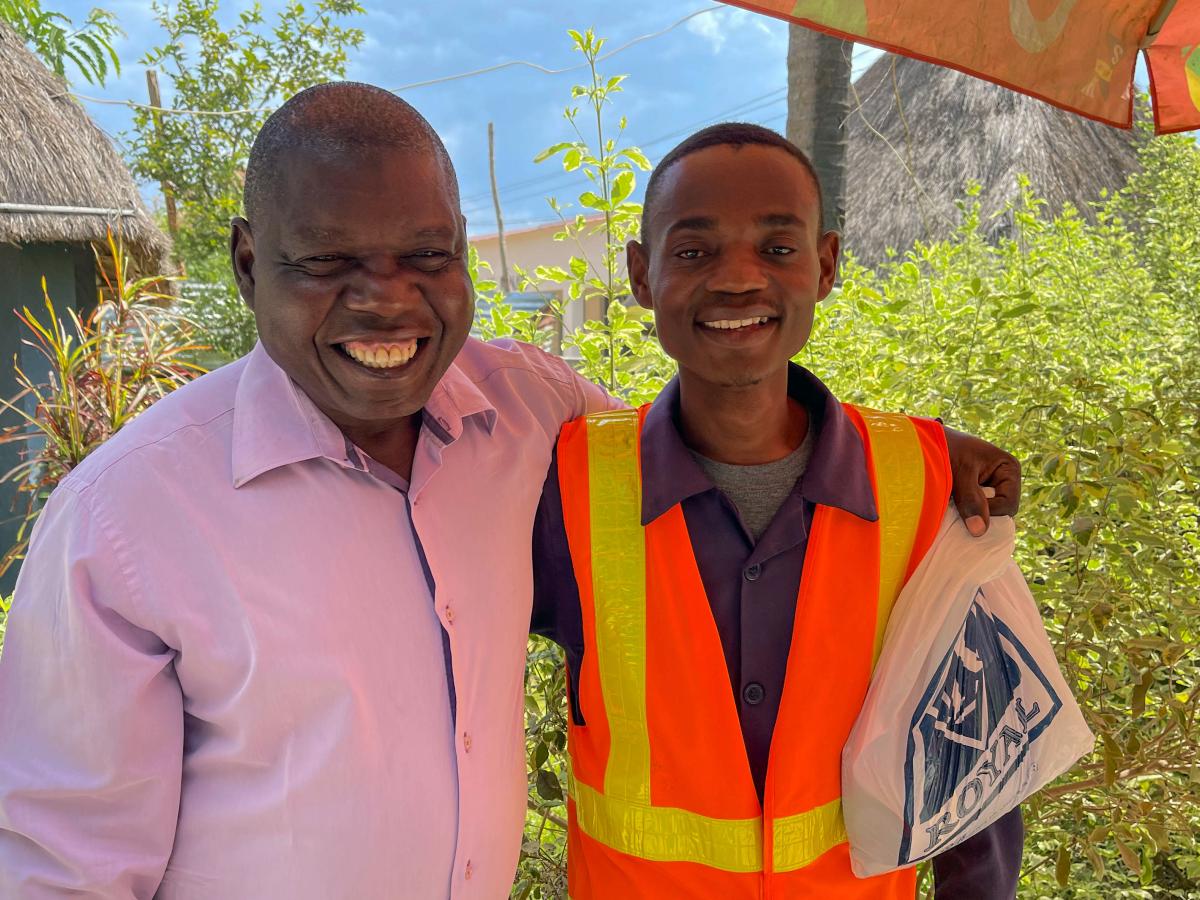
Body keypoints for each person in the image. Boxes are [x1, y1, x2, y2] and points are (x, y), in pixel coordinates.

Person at [0, 85, 1016, 898]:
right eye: (330, 262)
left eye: (427, 256)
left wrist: (925, 455)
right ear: (248, 261)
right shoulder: (128, 520)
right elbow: (62, 866)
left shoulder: (530, 413)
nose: (386, 298)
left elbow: (718, 426)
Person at [531, 123, 1024, 898]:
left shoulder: (927, 486)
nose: (737, 279)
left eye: (777, 248)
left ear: (825, 266)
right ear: (639, 273)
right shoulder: (564, 490)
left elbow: (976, 773)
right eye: (692, 251)